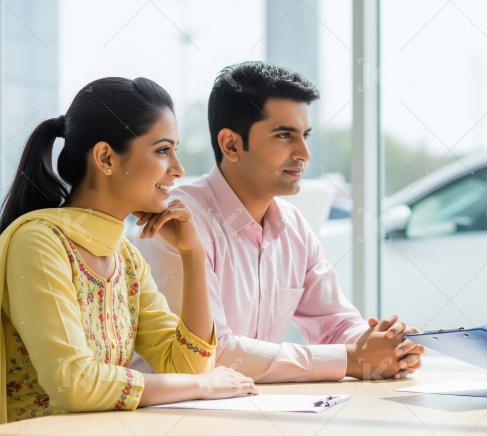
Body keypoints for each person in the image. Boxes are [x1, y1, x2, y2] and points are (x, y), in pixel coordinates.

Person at [134, 62, 424, 383]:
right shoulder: (177, 222)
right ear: (231, 144)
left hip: (250, 408)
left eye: (305, 135)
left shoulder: (293, 224)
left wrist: (385, 347)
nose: (304, 154)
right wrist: (351, 359)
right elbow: (214, 352)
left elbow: (335, 323)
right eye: (285, 135)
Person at [0, 77, 256, 423]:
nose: (178, 170)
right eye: (163, 150)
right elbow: (73, 382)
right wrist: (200, 386)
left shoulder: (125, 256)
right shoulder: (40, 243)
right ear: (105, 157)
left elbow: (187, 363)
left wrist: (193, 254)